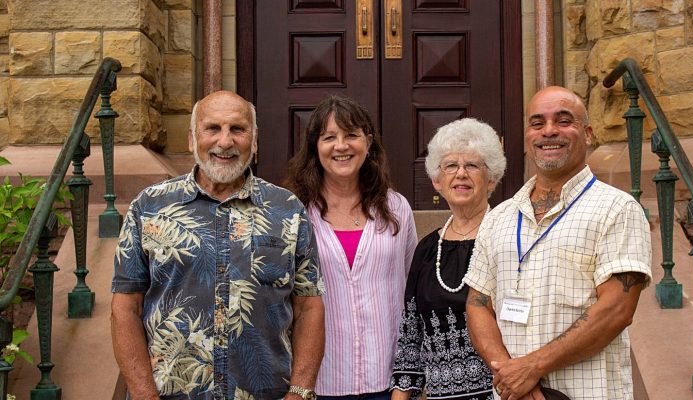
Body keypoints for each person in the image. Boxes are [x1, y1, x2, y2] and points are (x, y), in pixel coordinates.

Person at [111, 91, 325, 400]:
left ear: (254, 141)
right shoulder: (149, 207)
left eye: (237, 129)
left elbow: (308, 306)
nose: (225, 142)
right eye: (212, 128)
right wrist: (144, 395)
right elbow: (125, 308)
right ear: (191, 139)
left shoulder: (286, 209)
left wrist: (301, 392)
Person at [464, 86, 652, 400]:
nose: (549, 131)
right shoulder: (500, 217)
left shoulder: (617, 209)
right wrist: (510, 376)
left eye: (563, 121)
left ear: (589, 134)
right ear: (527, 136)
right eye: (537, 123)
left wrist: (531, 368)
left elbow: (617, 309)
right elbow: (477, 303)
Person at [284, 95, 417, 400]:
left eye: (351, 135)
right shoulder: (294, 213)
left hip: (389, 382)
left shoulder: (396, 208)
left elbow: (411, 292)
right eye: (329, 137)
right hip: (318, 382)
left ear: (368, 143)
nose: (341, 146)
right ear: (315, 147)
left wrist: (408, 381)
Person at [390, 118, 506, 400]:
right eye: (451, 166)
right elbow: (410, 339)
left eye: (473, 165)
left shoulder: (506, 238)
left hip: (502, 393)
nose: (461, 174)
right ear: (437, 181)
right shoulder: (428, 249)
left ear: (491, 178)